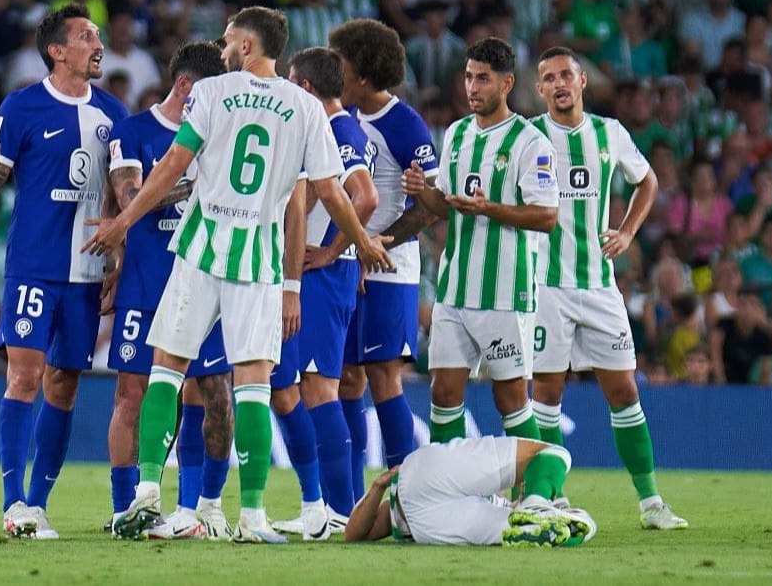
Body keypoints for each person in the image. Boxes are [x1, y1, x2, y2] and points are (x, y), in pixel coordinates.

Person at [84, 6, 394, 543]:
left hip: (202, 248)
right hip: (258, 258)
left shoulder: (213, 93)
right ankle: (251, 516)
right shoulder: (305, 107)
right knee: (253, 385)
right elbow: (328, 191)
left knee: (167, 369)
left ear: (247, 47)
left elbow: (174, 165)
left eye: (229, 41)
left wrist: (124, 222)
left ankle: (148, 496)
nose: (222, 49)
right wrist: (362, 242)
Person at [0, 3, 128, 540]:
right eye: (85, 36)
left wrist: (117, 262)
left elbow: (121, 194)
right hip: (34, 268)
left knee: (64, 386)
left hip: (86, 274)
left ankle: (38, 504)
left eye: (98, 35)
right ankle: (13, 506)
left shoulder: (113, 114)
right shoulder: (23, 106)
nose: (97, 44)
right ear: (57, 51)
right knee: (24, 377)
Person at [526, 47, 687, 530]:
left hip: (599, 287)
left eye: (565, 76)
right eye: (549, 78)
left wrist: (628, 231)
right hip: (546, 287)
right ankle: (550, 495)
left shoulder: (609, 133)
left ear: (581, 82)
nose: (558, 84)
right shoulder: (527, 136)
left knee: (623, 391)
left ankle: (651, 502)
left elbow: (648, 181)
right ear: (540, 89)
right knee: (546, 393)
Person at [102, 41, 234, 540]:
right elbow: (133, 199)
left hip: (206, 276)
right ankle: (126, 509)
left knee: (212, 395)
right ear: (186, 87)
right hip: (146, 281)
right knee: (132, 394)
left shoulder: (221, 137)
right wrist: (194, 182)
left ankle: (197, 509)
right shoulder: (133, 132)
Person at [401, 38, 557, 452]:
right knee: (443, 393)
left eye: (483, 79)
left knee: (509, 398)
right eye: (469, 77)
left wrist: (489, 208)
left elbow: (546, 217)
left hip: (505, 292)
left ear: (507, 84)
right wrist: (422, 191)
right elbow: (445, 206)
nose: (473, 87)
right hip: (455, 290)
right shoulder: (456, 134)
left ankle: (538, 494)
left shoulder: (530, 142)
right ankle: (449, 491)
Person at [270, 47, 379, 539]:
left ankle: (336, 509)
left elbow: (366, 194)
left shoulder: (336, 129)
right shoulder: (337, 126)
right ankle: (331, 506)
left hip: (318, 274)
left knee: (315, 389)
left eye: (292, 82)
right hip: (317, 273)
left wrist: (335, 251)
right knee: (293, 387)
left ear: (306, 88)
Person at [328, 19, 437, 496]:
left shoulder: (404, 123)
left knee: (382, 377)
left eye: (344, 66)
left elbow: (431, 206)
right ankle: (351, 500)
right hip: (347, 262)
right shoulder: (339, 116)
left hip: (389, 269)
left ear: (366, 74)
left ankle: (406, 496)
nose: (337, 74)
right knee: (346, 379)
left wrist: (378, 247)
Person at [343, 437, 596, 548]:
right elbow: (354, 534)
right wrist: (378, 488)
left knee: (555, 456)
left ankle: (536, 507)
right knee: (557, 456)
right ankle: (536, 505)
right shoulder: (503, 507)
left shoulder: (510, 513)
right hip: (426, 520)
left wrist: (378, 487)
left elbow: (354, 534)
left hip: (422, 522)